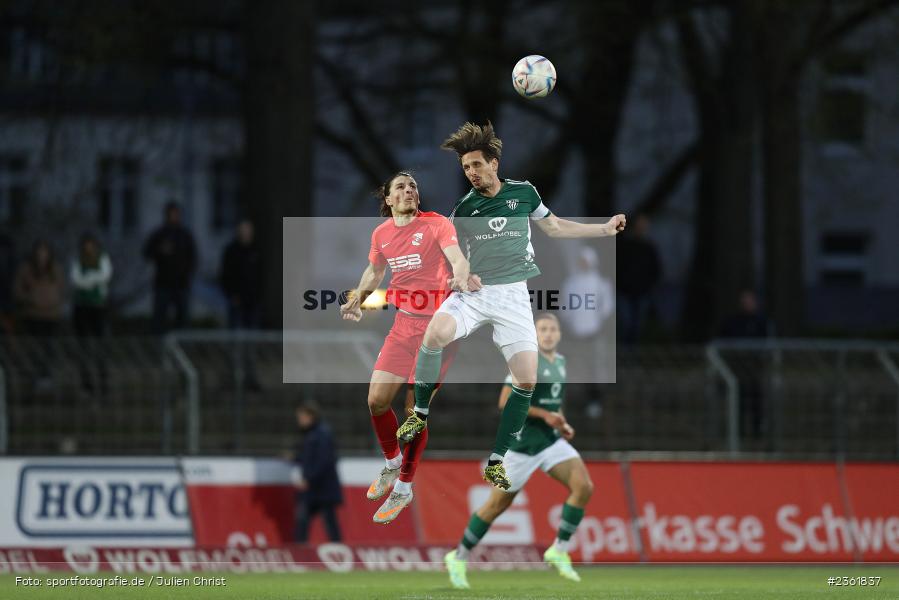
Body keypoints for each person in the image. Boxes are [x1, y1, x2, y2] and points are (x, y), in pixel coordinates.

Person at [398, 121, 626, 489]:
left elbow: (553, 227)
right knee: (436, 332)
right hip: (476, 291)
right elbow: (449, 255)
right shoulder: (466, 209)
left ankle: (497, 460)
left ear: (494, 164)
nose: (471, 173)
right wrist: (459, 274)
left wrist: (602, 229)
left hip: (514, 296)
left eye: (476, 165)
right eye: (466, 168)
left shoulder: (524, 193)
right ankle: (419, 413)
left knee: (526, 380)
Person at [339, 171, 477, 524]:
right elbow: (374, 272)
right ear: (387, 199)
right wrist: (358, 298)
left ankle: (403, 487)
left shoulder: (435, 224)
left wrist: (461, 271)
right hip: (404, 325)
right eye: (400, 186)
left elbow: (456, 255)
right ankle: (391, 463)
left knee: (415, 411)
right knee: (375, 401)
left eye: (414, 185)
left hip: (439, 330)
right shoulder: (381, 233)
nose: (409, 190)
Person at [445, 313, 592, 589]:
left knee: (583, 486)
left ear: (559, 334)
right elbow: (504, 403)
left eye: (552, 329)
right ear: (535, 334)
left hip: (550, 442)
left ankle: (558, 550)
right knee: (495, 507)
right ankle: (459, 556)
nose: (548, 334)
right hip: (521, 447)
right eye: (543, 329)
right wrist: (544, 416)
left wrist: (561, 422)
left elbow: (553, 403)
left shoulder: (560, 363)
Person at [719, 289, 773, 439]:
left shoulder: (761, 322)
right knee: (738, 401)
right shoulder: (733, 321)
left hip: (755, 368)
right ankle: (738, 432)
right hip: (738, 368)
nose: (746, 304)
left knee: (757, 401)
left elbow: (766, 344)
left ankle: (757, 432)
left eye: (749, 301)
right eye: (744, 301)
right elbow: (724, 339)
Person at [143, 202, 197, 333]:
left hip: (181, 284)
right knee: (159, 320)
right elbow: (147, 253)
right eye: (171, 213)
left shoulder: (185, 235)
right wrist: (160, 251)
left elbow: (193, 258)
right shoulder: (159, 234)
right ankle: (158, 349)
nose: (173, 216)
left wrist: (187, 273)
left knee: (183, 320)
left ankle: (183, 350)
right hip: (163, 284)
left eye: (176, 213)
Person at [70, 233, 113, 396]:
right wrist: (93, 280)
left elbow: (105, 276)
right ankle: (86, 384)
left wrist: (87, 279)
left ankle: (103, 383)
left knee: (101, 347)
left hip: (98, 307)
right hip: (81, 307)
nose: (88, 248)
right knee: (83, 347)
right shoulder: (77, 259)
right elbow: (76, 280)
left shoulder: (103, 258)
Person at [294, 403, 343, 542]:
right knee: (306, 519)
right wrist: (294, 457)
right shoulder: (312, 434)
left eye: (301, 417)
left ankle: (337, 551)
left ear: (311, 417)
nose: (299, 421)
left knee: (326, 520)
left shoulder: (321, 434)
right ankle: (302, 551)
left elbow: (324, 461)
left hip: (322, 487)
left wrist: (309, 479)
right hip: (316, 487)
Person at [616, 214, 661, 345]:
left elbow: (656, 270)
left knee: (637, 327)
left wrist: (650, 286)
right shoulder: (624, 246)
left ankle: (632, 357)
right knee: (626, 324)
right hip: (624, 292)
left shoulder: (650, 248)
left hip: (643, 293)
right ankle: (623, 355)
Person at [560, 246, 613, 339]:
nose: (583, 264)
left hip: (594, 328)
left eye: (586, 261)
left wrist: (600, 318)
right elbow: (564, 302)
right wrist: (566, 317)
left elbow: (607, 304)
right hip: (574, 329)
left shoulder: (600, 282)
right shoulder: (571, 282)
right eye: (581, 261)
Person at [219, 219, 263, 330]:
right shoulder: (231, 251)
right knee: (235, 332)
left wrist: (259, 294)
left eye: (247, 229)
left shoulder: (257, 250)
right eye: (243, 229)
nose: (245, 232)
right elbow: (225, 274)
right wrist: (231, 294)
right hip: (236, 299)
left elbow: (262, 275)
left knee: (253, 332)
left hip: (253, 300)